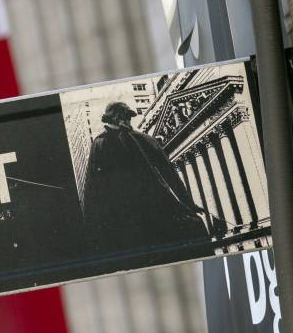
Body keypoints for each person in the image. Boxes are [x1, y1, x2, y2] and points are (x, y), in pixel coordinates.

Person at [82, 101, 222, 253]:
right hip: (127, 216)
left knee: (192, 230)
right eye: (126, 117)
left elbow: (169, 174)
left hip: (155, 208)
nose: (129, 121)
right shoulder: (100, 143)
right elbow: (94, 187)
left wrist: (187, 202)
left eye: (129, 117)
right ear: (115, 118)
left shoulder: (142, 139)